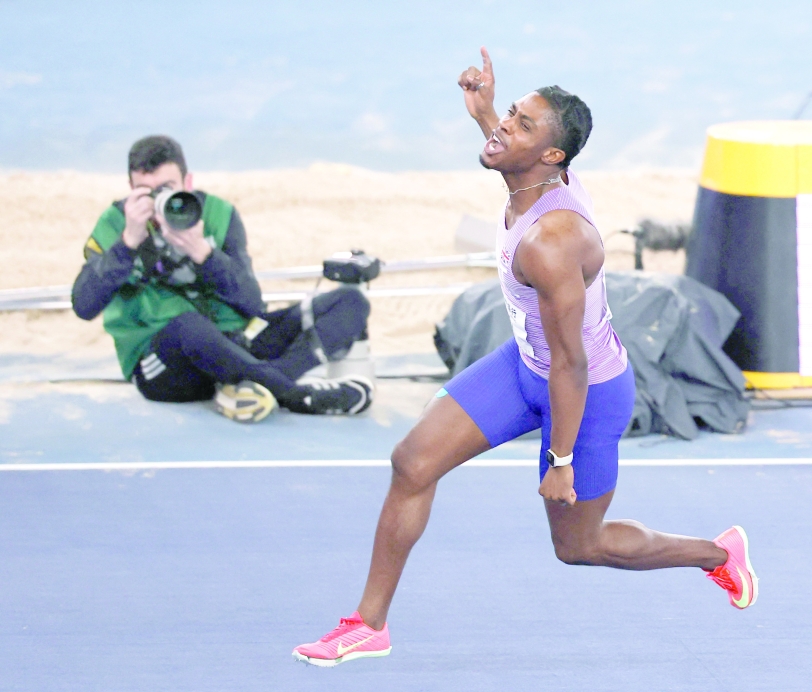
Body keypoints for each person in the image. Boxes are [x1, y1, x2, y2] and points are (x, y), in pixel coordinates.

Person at [292, 48, 758, 667]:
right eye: (512, 114)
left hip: (586, 395)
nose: (505, 128)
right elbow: (509, 153)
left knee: (580, 547)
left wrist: (560, 461)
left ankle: (718, 554)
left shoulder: (552, 243)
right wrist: (486, 112)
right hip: (526, 366)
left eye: (521, 124)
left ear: (552, 158)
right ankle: (369, 625)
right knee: (412, 463)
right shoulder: (530, 172)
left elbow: (573, 366)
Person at [72, 135, 374, 422]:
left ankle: (256, 384)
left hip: (236, 343)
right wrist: (127, 243)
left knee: (350, 301)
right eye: (146, 191)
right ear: (130, 189)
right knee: (188, 325)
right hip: (166, 363)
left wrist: (203, 253)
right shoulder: (116, 223)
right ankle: (294, 395)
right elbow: (83, 305)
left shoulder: (218, 214)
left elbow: (252, 304)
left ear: (187, 183)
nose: (158, 201)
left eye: (167, 188)